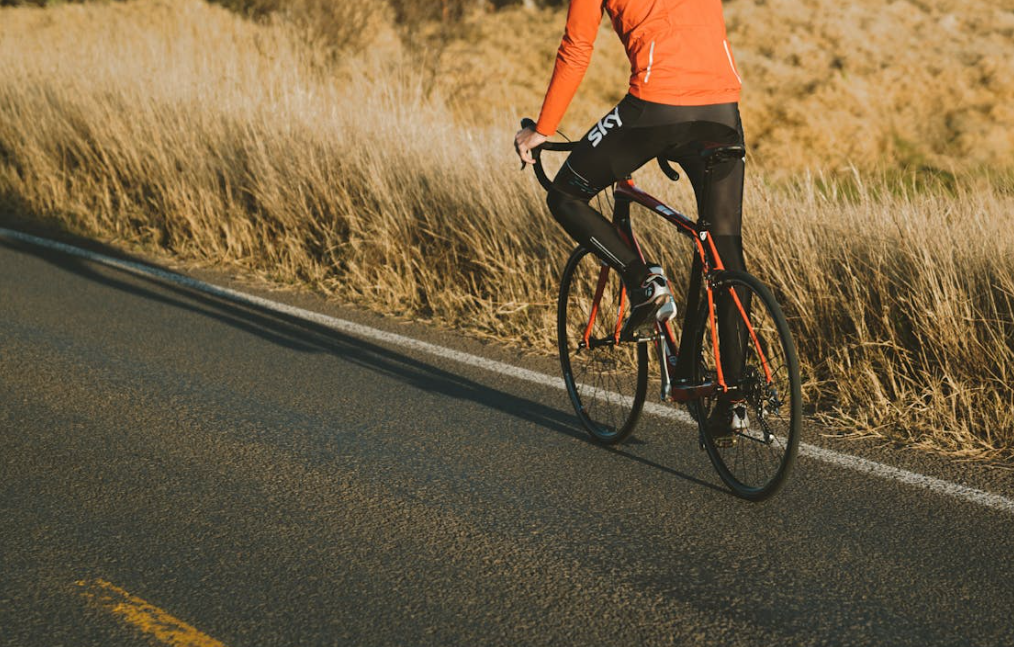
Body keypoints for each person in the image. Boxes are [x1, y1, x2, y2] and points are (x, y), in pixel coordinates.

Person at [514, 0, 750, 440]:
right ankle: (733, 397)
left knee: (565, 196)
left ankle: (644, 282)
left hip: (655, 106)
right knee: (723, 247)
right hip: (722, 108)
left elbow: (576, 47)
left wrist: (543, 128)